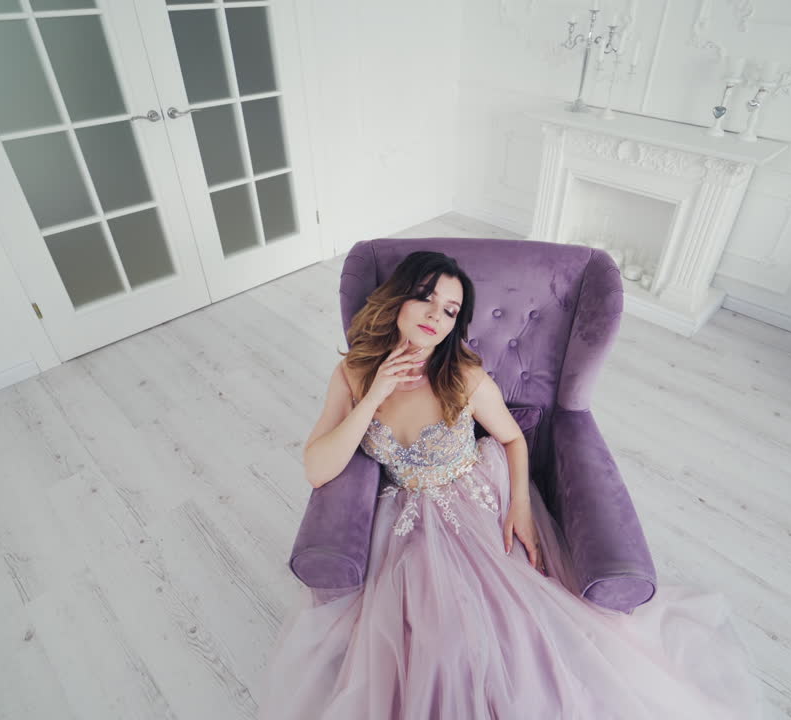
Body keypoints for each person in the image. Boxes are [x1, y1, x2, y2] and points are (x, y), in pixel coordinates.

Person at [257, 251, 760, 719]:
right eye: (426, 297)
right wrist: (374, 395)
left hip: (474, 497)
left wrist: (519, 504)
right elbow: (318, 468)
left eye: (451, 310)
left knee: (506, 633)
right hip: (405, 512)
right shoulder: (353, 373)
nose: (436, 315)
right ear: (399, 298)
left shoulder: (463, 375)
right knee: (426, 641)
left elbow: (514, 438)